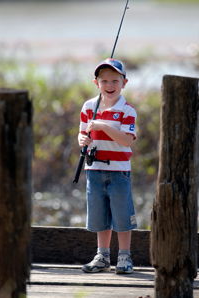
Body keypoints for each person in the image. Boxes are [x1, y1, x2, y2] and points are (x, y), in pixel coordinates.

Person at [78, 58, 137, 274]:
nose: (109, 86)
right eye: (104, 81)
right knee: (99, 215)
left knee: (122, 215)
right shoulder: (88, 107)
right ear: (96, 83)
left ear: (124, 83)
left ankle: (125, 257)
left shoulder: (127, 110)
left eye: (115, 81)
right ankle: (102, 256)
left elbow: (127, 140)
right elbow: (82, 132)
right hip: (94, 170)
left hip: (119, 171)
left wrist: (102, 125)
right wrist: (82, 140)